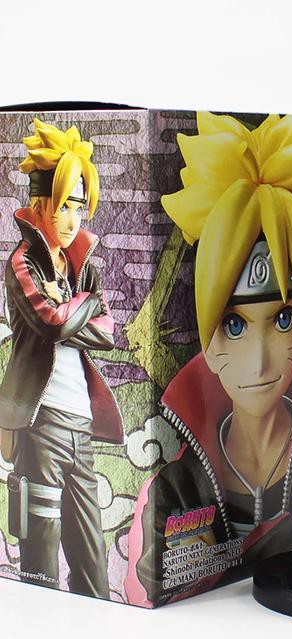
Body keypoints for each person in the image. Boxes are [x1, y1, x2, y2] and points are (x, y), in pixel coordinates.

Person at [125, 113, 292, 607]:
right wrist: (290, 527)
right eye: (235, 326)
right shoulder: (172, 488)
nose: (260, 363)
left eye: (284, 319)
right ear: (208, 341)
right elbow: (146, 586)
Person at [0, 118, 123, 596]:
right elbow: (51, 323)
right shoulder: (21, 262)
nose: (73, 220)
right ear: (40, 203)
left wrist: (76, 301)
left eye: (80, 207)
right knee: (41, 567)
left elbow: (108, 333)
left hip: (81, 429)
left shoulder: (79, 267)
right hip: (42, 426)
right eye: (64, 205)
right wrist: (81, 308)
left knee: (93, 565)